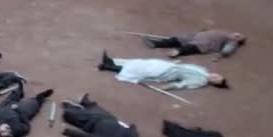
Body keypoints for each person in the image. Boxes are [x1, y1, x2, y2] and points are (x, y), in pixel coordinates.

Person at [60, 93, 139, 137]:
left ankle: (71, 107)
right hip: (108, 118)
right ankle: (85, 102)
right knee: (95, 108)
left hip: (92, 122)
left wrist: (68, 132)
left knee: (68, 115)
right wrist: (131, 126)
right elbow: (133, 128)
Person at [97, 51, 229, 90]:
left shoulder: (200, 81)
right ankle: (111, 61)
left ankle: (108, 66)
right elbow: (188, 66)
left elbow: (183, 84)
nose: (215, 77)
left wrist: (169, 87)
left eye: (216, 80)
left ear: (213, 83)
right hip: (170, 66)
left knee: (139, 70)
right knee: (140, 63)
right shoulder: (203, 70)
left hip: (168, 74)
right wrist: (177, 62)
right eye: (218, 76)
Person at [142, 30, 246, 59]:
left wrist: (222, 54)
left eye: (239, 37)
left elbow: (227, 50)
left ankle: (177, 52)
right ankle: (156, 43)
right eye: (238, 34)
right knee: (178, 39)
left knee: (192, 47)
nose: (237, 35)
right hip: (196, 36)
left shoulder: (232, 41)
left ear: (238, 41)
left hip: (206, 43)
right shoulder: (225, 32)